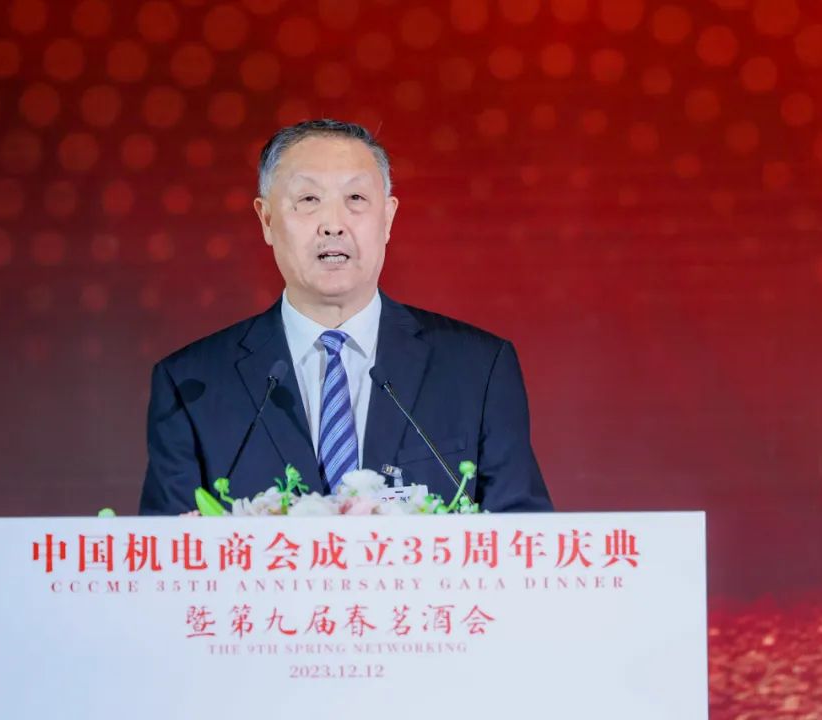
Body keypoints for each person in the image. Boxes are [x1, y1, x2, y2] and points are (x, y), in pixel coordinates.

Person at [139, 119, 552, 514]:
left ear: (387, 218)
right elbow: (168, 549)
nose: (333, 225)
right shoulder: (191, 384)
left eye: (355, 199)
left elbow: (523, 536)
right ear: (266, 219)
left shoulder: (477, 369)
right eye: (308, 200)